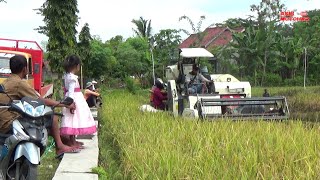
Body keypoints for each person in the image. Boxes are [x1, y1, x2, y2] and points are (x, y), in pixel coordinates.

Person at [0, 55, 79, 157]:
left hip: (4, 120)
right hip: (9, 121)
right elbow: (40, 100)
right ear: (25, 69)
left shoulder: (7, 81)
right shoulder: (19, 83)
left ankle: (68, 142)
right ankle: (60, 147)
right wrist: (62, 104)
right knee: (52, 118)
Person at [61, 55, 97, 148]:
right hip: (74, 99)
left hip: (69, 98)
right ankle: (73, 142)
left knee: (72, 120)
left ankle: (73, 140)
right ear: (77, 66)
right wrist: (71, 103)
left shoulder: (66, 76)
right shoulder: (73, 78)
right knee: (75, 119)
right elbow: (71, 91)